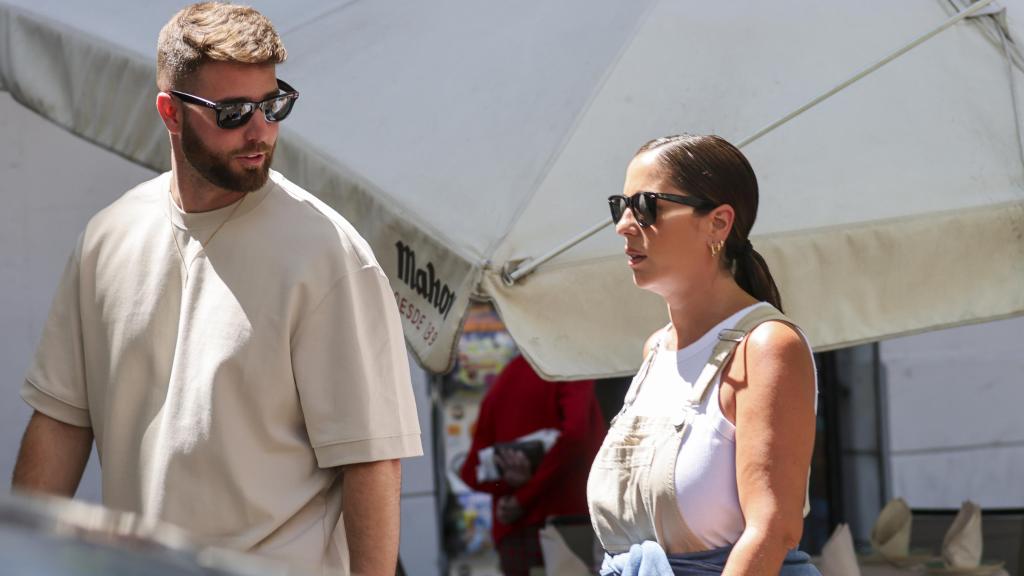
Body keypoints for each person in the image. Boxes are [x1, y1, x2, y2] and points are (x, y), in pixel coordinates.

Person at [10, 4, 422, 575]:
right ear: (169, 113)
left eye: (274, 105)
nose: (261, 131)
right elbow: (59, 424)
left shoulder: (328, 254)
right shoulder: (106, 238)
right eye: (233, 112)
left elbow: (373, 462)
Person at [588, 134, 819, 575]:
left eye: (647, 205)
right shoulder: (656, 350)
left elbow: (773, 529)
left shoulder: (767, 346)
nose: (623, 225)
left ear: (718, 223)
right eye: (622, 206)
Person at [459, 355, 607, 576]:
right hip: (570, 526)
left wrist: (508, 485)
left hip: (515, 534)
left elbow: (470, 472)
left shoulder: (506, 378)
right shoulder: (571, 368)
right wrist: (523, 496)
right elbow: (576, 436)